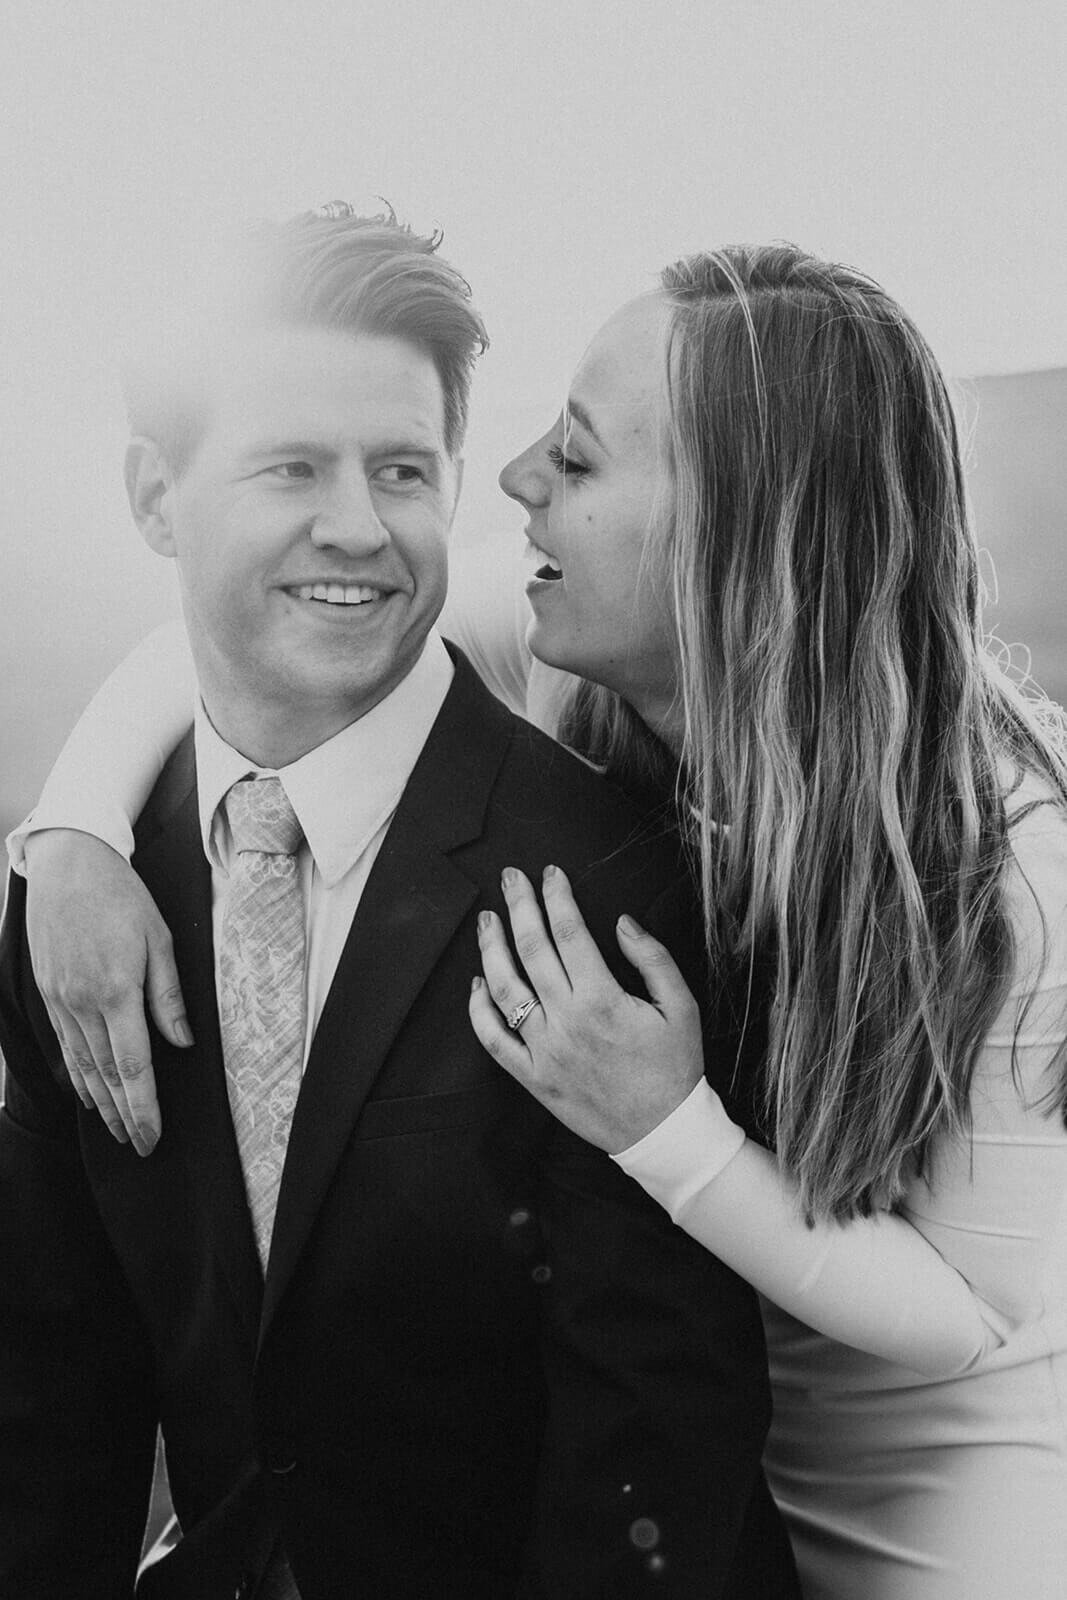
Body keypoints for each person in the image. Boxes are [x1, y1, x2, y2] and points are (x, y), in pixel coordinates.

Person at [11, 243, 1067, 1597]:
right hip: (728, 1474)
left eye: (575, 460)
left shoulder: (1007, 865)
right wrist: (77, 833)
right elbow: (264, 623)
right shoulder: (595, 659)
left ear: (736, 532)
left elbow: (970, 1316)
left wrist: (665, 1129)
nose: (512, 486)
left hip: (940, 1518)